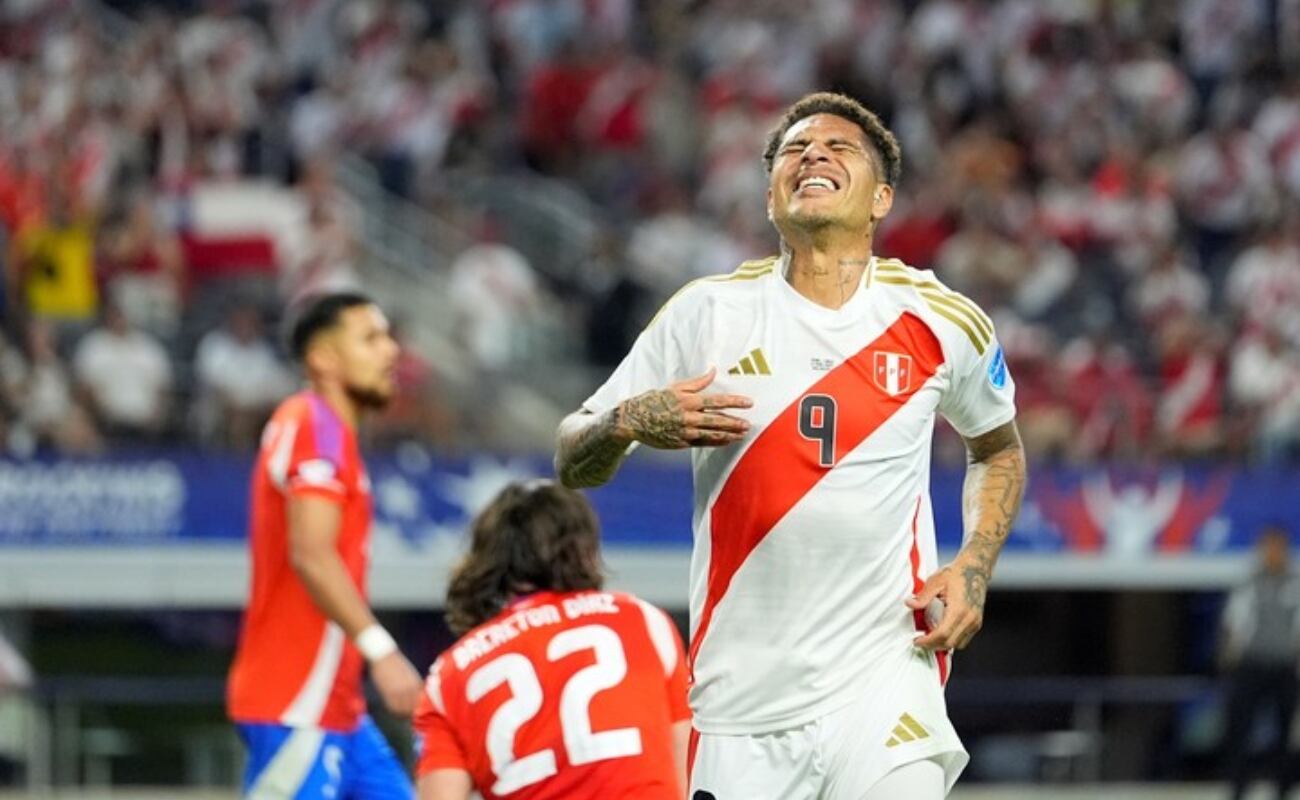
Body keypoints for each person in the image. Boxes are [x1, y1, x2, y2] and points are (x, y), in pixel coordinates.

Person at [554, 91, 1027, 799]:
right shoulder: (705, 313)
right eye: (794, 150)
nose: (813, 155)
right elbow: (571, 457)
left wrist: (974, 567)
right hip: (740, 702)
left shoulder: (940, 320)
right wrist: (626, 421)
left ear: (881, 199)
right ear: (771, 195)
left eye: (839, 148)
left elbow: (998, 449)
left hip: (886, 678)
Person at [227, 292, 423, 799]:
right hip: (295, 705)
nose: (391, 351)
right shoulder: (311, 423)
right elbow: (311, 554)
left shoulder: (334, 436)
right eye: (370, 338)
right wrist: (383, 652)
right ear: (323, 359)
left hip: (340, 712)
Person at [413, 481, 691, 799]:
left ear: (487, 557)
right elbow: (685, 767)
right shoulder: (643, 620)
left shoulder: (449, 675)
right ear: (583, 548)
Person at [1220, 526, 1300, 800]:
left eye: (1278, 548)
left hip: (1284, 667)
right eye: (1269, 548)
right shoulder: (1249, 583)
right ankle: (1237, 789)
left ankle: (1283, 789)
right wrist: (1229, 657)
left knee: (1287, 734)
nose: (1273, 554)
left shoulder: (1295, 583)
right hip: (1252, 665)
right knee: (1241, 730)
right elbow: (1233, 622)